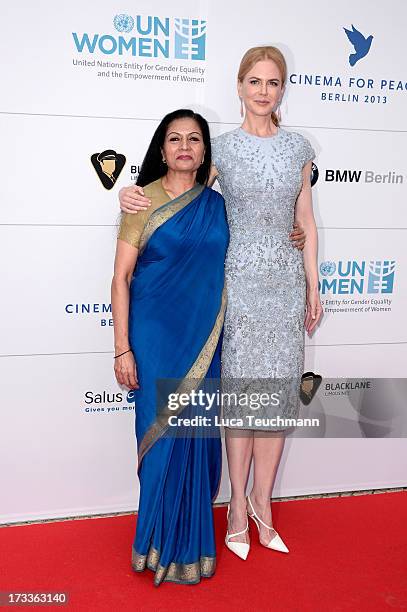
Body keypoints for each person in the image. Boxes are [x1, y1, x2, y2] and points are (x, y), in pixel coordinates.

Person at [118, 46, 322, 561]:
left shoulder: (299, 147)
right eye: (254, 81)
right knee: (238, 401)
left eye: (272, 83)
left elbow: (307, 219)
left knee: (274, 398)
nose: (262, 91)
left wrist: (313, 282)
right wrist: (131, 193)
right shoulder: (221, 151)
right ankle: (234, 507)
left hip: (283, 284)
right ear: (239, 86)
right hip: (235, 286)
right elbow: (183, 197)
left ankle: (263, 502)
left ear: (282, 89)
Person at [111, 109, 229, 584]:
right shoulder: (141, 202)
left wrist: (296, 233)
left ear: (204, 151)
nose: (184, 146)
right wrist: (122, 348)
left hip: (204, 337)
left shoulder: (218, 205)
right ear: (161, 149)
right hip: (155, 337)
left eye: (194, 139)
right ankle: (155, 542)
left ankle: (190, 546)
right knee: (160, 442)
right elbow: (120, 278)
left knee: (196, 439)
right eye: (174, 138)